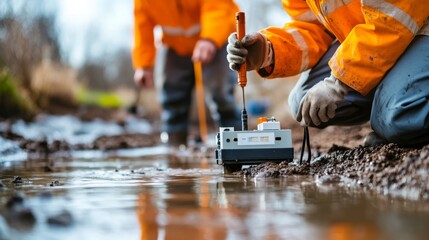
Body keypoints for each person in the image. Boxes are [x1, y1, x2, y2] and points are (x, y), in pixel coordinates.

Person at [227, 0, 429, 146]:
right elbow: (313, 28)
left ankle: (394, 113)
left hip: (419, 27)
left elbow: (391, 19)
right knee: (303, 102)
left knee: (401, 118)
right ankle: (393, 100)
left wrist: (338, 82)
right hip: (375, 41)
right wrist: (267, 51)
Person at [132, 0, 241, 146]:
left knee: (221, 93)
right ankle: (174, 145)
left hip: (217, 38)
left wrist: (209, 39)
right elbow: (142, 27)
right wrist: (144, 65)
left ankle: (236, 143)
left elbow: (217, 7)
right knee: (172, 95)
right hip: (175, 46)